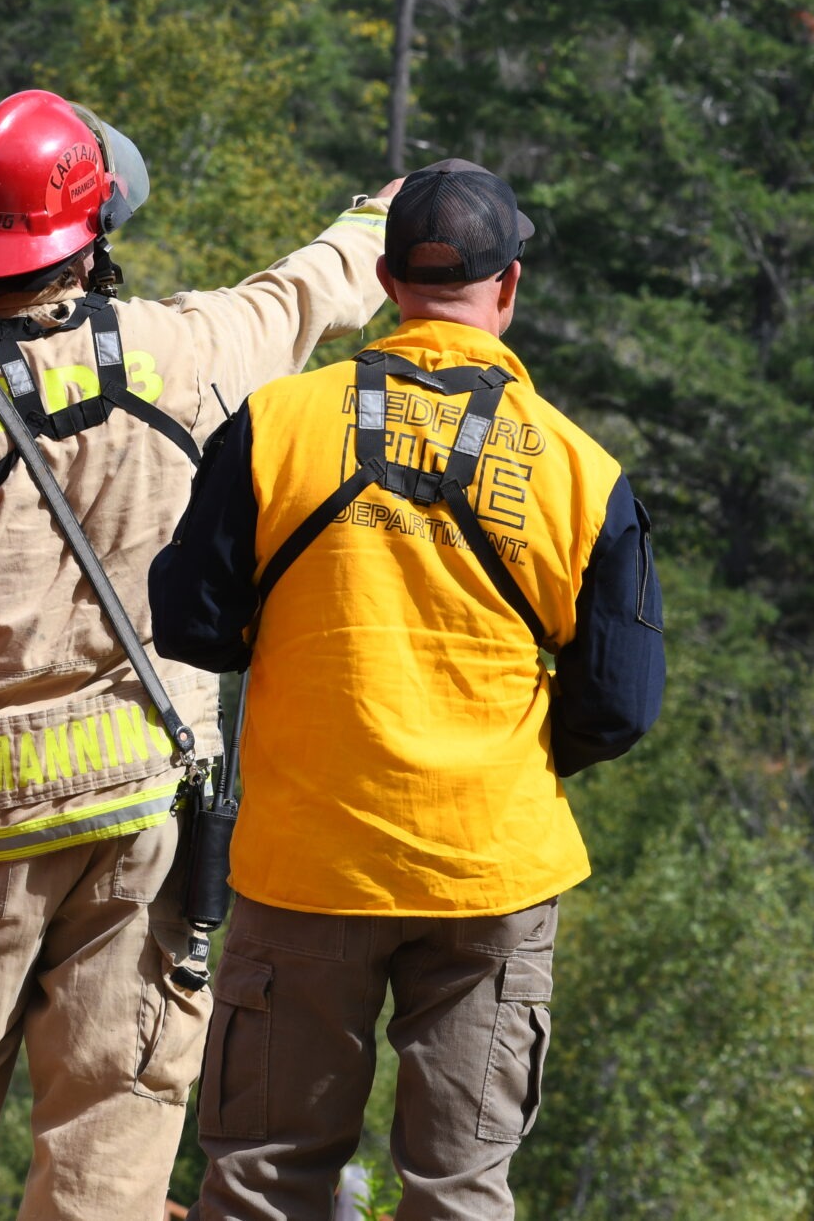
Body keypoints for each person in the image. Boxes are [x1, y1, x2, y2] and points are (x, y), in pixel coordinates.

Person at [0, 87, 399, 1221]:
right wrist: (376, 219)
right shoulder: (193, 350)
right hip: (145, 797)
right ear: (94, 233)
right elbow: (305, 292)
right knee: (112, 1110)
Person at [148, 159, 666, 1221]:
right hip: (489, 869)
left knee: (260, 1180)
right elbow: (619, 701)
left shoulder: (276, 424)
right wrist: (503, 752)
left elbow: (193, 623)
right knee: (458, 1188)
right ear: (508, 286)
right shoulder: (582, 470)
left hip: (305, 862)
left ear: (384, 278)